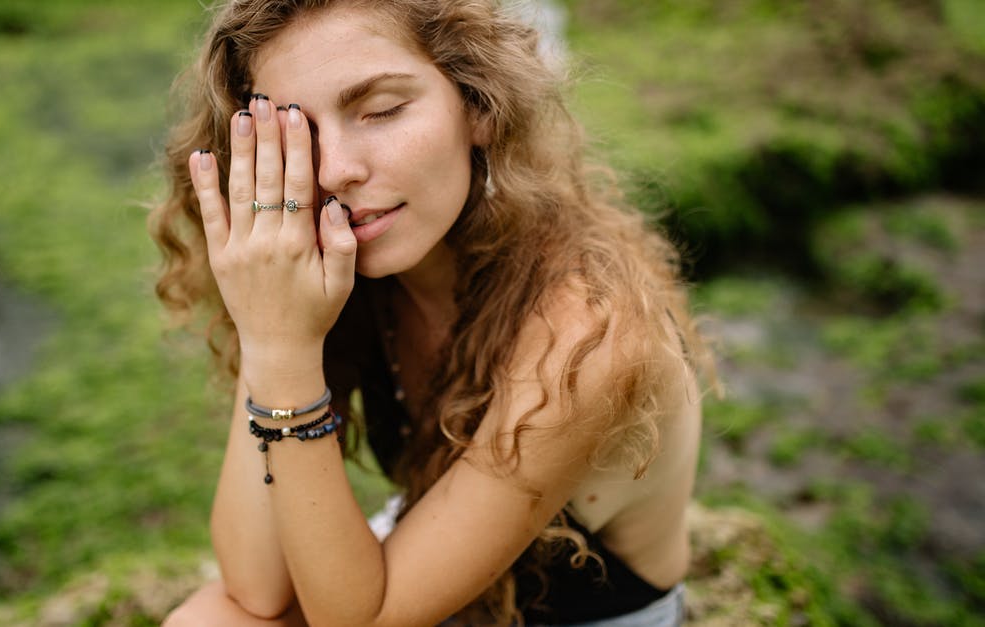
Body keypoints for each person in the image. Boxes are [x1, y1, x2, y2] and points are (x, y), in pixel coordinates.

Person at [150, 1, 710, 624]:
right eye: (296, 133)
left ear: (479, 107)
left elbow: (362, 621)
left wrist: (285, 356)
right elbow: (257, 585)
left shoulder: (587, 331)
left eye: (381, 111)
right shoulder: (357, 266)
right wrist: (268, 329)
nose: (335, 170)